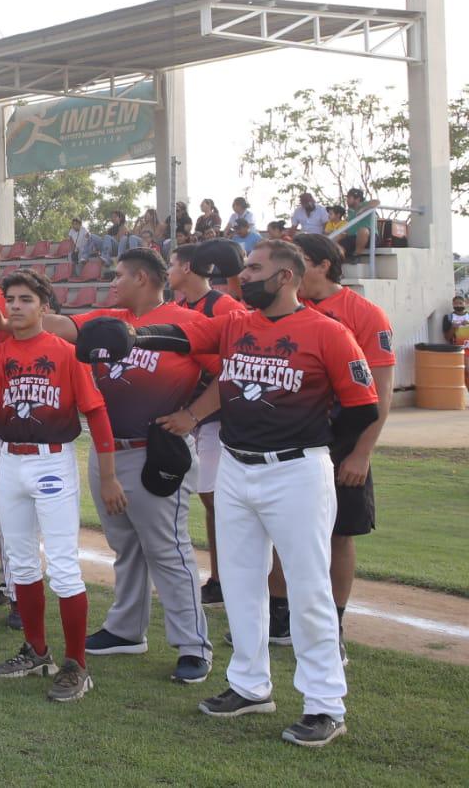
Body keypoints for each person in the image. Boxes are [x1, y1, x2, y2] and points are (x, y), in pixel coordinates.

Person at [104, 239, 378, 746]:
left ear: (286, 278)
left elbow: (362, 407)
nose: (242, 277)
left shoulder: (329, 333)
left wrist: (314, 448)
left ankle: (324, 704)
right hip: (235, 464)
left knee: (308, 587)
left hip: (296, 469)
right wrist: (133, 334)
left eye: (255, 269)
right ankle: (250, 685)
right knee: (241, 580)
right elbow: (184, 337)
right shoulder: (235, 324)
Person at [0, 268, 124, 703]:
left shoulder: (67, 353)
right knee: (21, 563)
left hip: (53, 462)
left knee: (65, 568)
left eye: (26, 300)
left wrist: (108, 476)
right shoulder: (2, 352)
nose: (15, 306)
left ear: (45, 307)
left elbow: (97, 413)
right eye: (10, 299)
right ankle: (37, 650)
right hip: (11, 462)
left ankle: (76, 665)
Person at [37, 249, 214, 684]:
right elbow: (64, 327)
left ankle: (193, 645)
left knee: (168, 550)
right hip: (106, 451)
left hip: (154, 449)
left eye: (119, 276)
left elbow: (227, 374)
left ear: (143, 278)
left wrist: (192, 416)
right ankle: (125, 629)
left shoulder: (188, 321)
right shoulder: (109, 316)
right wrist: (18, 310)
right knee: (126, 545)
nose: (113, 283)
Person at [292, 232, 394, 666]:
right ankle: (285, 621)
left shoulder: (365, 314)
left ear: (321, 265)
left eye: (296, 261)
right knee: (286, 534)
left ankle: (333, 628)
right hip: (293, 437)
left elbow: (381, 395)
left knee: (339, 533)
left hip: (343, 441)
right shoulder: (286, 309)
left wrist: (362, 453)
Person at [167, 243, 245, 607]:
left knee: (218, 500)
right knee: (209, 499)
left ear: (186, 267)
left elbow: (234, 365)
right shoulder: (181, 308)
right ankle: (220, 578)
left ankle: (228, 578)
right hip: (195, 413)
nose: (168, 270)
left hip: (218, 415)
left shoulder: (223, 305)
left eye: (171, 263)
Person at [335, 188, 378, 261]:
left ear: (357, 199)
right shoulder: (350, 211)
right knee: (336, 237)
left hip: (370, 237)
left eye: (349, 198)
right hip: (353, 237)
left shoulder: (364, 204)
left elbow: (377, 202)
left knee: (363, 230)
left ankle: (356, 256)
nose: (347, 200)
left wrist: (363, 209)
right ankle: (340, 260)